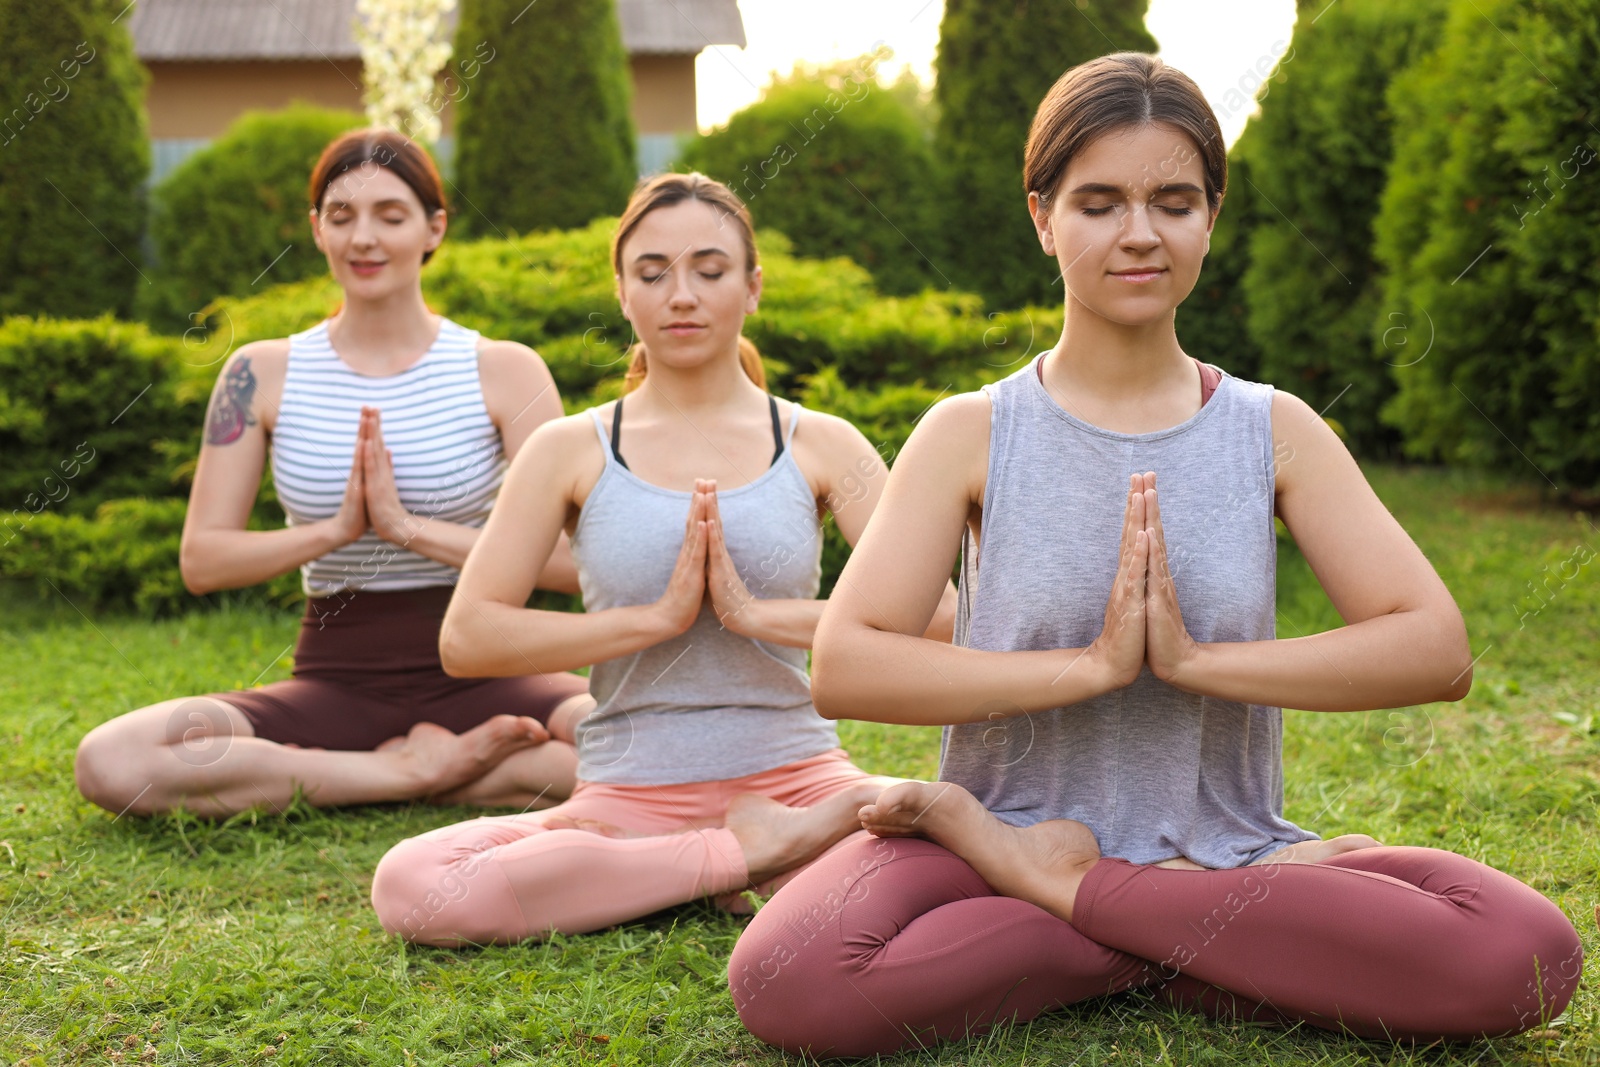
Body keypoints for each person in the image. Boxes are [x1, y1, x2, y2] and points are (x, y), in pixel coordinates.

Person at [728, 53, 1583, 1057]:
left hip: (1226, 854)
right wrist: (1087, 668)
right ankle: (1192, 934)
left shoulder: (1275, 428)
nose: (1139, 232)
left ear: (1209, 218)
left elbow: (1435, 649)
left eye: (1172, 201)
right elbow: (847, 663)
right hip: (995, 827)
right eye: (1098, 203)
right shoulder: (970, 432)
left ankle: (1084, 895)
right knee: (789, 980)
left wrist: (1192, 663)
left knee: (1527, 953)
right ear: (1042, 217)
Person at [367, 171, 957, 946]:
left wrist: (755, 615)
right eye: (653, 273)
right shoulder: (567, 449)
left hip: (799, 781)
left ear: (752, 288)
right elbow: (470, 636)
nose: (682, 295)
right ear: (621, 291)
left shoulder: (823, 443)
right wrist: (652, 620)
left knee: (956, 849)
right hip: (627, 795)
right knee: (412, 884)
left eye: (710, 271)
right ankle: (739, 859)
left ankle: (707, 865)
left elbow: (943, 617)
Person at [74, 129, 591, 818]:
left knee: (651, 754)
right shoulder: (259, 372)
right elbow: (203, 559)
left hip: (490, 668)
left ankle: (398, 773)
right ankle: (404, 773)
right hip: (336, 681)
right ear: (317, 230)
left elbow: (570, 566)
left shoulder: (506, 370)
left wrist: (409, 530)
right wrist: (337, 530)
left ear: (434, 227)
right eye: (341, 216)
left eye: (391, 215)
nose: (363, 238)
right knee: (113, 761)